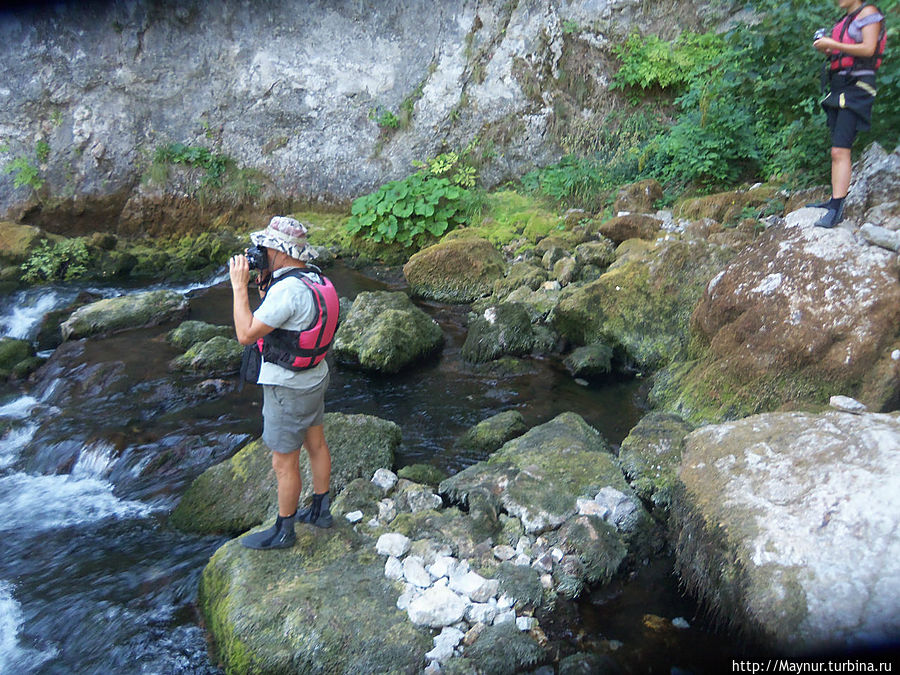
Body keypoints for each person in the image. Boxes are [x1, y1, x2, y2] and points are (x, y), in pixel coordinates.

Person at [229, 216, 340, 550]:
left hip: (287, 388)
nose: (259, 251)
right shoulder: (313, 278)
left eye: (264, 246)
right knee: (316, 444)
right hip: (315, 378)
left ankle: (284, 530)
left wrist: (238, 287)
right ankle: (321, 510)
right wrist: (264, 281)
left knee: (284, 462)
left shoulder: (288, 291)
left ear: (279, 250)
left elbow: (245, 333)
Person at [811, 0, 886, 228]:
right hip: (839, 88)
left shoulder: (869, 13)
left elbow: (868, 48)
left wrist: (834, 43)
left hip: (857, 88)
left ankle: (836, 209)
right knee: (837, 149)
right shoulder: (844, 21)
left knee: (839, 149)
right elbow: (840, 50)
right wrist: (827, 48)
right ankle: (834, 200)